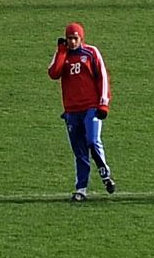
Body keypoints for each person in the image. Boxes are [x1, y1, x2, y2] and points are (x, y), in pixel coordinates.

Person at [49, 21, 117, 201]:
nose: (72, 42)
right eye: (69, 39)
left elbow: (102, 77)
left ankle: (105, 174)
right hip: (71, 110)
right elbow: (53, 73)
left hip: (91, 107)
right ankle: (81, 188)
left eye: (75, 38)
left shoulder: (91, 53)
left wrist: (103, 104)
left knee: (92, 141)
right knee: (79, 151)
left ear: (81, 38)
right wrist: (62, 52)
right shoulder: (63, 55)